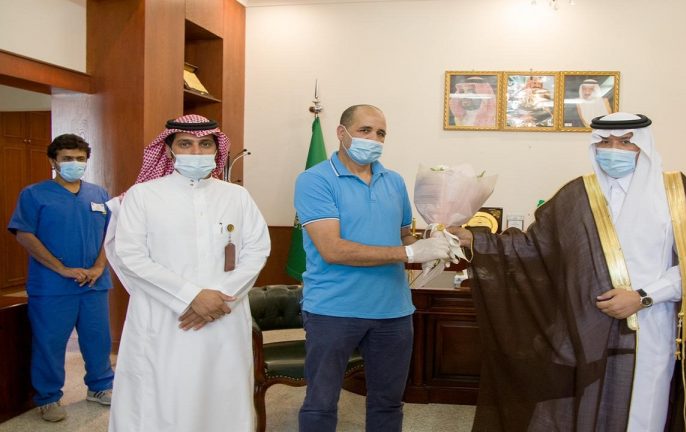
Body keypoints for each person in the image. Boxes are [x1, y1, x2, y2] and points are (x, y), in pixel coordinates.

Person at [448, 112, 686, 431]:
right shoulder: (577, 194)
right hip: (586, 325)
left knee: (642, 411)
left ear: (644, 145)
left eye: (625, 142)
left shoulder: (675, 192)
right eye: (605, 142)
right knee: (581, 410)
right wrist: (474, 239)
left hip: (651, 326)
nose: (614, 150)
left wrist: (642, 297)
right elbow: (533, 246)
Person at [107, 115, 271, 432]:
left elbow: (257, 250)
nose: (196, 152)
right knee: (162, 395)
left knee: (222, 393)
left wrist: (220, 298)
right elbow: (130, 256)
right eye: (185, 144)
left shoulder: (237, 196)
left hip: (223, 314)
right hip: (164, 316)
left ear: (216, 149)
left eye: (205, 144)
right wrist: (191, 296)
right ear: (169, 150)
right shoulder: (142, 195)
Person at [294, 104, 452, 432]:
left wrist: (435, 243)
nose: (374, 139)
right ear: (341, 133)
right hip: (333, 310)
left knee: (388, 403)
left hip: (393, 311)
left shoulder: (394, 181)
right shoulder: (315, 180)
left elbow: (404, 235)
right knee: (321, 403)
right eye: (365, 130)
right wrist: (410, 251)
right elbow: (332, 249)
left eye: (380, 133)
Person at [7, 134, 114, 422]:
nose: (74, 163)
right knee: (50, 343)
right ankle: (48, 397)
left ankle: (100, 387)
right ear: (53, 161)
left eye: (80, 159)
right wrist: (61, 269)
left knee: (98, 339)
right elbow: (24, 234)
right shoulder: (34, 194)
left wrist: (98, 267)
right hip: (52, 285)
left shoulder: (99, 194)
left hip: (94, 284)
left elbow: (110, 235)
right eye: (67, 158)